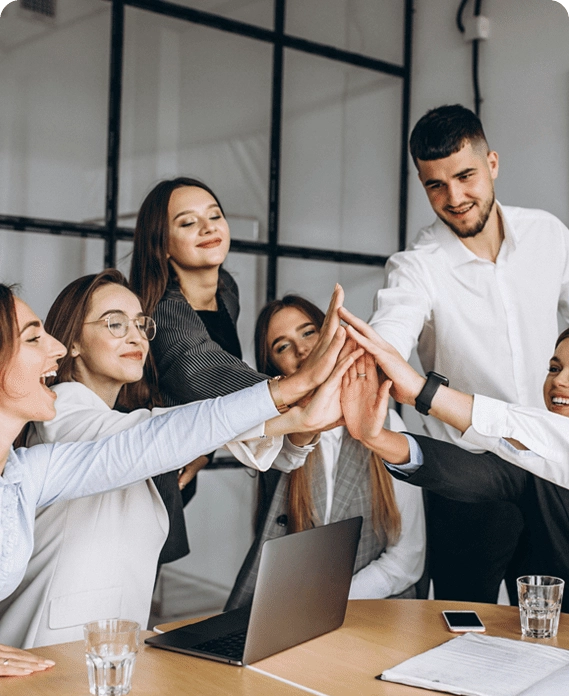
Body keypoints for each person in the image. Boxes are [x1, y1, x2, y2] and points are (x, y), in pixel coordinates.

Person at [0, 282, 357, 674]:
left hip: (109, 651)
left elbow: (161, 436)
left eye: (140, 324)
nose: (135, 335)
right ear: (75, 341)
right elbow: (152, 438)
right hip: (51, 651)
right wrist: (289, 392)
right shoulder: (67, 409)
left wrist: (300, 421)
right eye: (115, 324)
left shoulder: (51, 458)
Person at [369, 104, 569, 604]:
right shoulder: (417, 267)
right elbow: (389, 334)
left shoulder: (548, 234)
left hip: (550, 471)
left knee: (557, 627)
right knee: (460, 627)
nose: (454, 198)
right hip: (467, 480)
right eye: (435, 184)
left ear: (492, 163)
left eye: (465, 176)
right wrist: (374, 360)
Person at [338, 307, 569, 611]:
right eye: (554, 368)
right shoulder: (534, 463)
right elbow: (469, 472)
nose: (560, 381)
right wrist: (376, 438)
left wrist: (423, 391)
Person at [130, 177, 328, 520]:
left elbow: (206, 396)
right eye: (188, 223)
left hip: (182, 458)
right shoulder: (162, 310)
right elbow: (210, 374)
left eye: (215, 215)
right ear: (162, 245)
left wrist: (205, 450)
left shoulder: (226, 292)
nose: (208, 228)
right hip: (139, 468)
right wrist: (309, 384)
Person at [225, 296, 425, 611]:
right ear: (273, 368)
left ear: (332, 335)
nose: (302, 350)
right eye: (282, 346)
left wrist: (327, 600)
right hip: (291, 608)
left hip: (373, 610)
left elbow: (407, 559)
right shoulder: (276, 439)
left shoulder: (386, 424)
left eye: (308, 333)